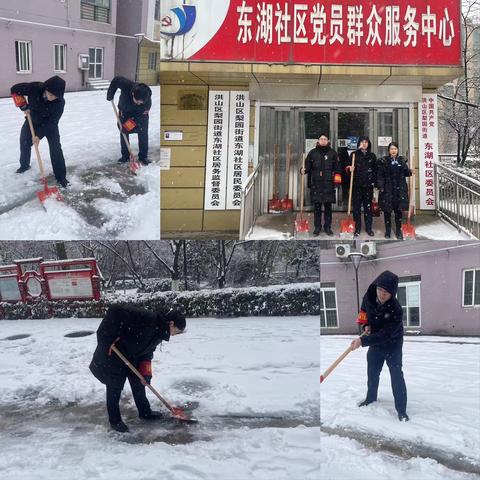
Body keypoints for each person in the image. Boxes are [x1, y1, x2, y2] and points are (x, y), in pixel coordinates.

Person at [89, 304, 186, 432]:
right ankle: (115, 421)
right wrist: (107, 340)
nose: (175, 335)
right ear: (171, 324)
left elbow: (147, 353)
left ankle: (145, 412)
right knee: (114, 388)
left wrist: (146, 374)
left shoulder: (160, 332)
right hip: (114, 354)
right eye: (177, 332)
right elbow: (115, 310)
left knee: (139, 384)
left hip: (133, 357)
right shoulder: (148, 319)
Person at [350, 270, 409, 422]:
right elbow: (363, 315)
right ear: (376, 287)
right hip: (375, 342)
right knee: (372, 371)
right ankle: (370, 398)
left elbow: (386, 334)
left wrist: (363, 341)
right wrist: (365, 327)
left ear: (392, 294)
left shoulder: (396, 309)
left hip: (392, 344)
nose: (382, 294)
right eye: (380, 290)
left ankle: (401, 410)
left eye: (387, 292)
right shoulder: (368, 297)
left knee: (396, 375)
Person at [11, 76, 69, 187]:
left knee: (55, 147)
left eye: (55, 96)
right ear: (45, 89)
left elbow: (52, 122)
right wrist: (23, 106)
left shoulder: (60, 103)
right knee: (24, 142)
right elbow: (14, 89)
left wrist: (38, 136)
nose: (52, 98)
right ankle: (24, 166)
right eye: (51, 95)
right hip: (32, 120)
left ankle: (61, 177)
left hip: (49, 125)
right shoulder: (34, 88)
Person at [106, 76, 152, 165]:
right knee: (123, 132)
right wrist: (110, 94)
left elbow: (139, 117)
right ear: (133, 94)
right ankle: (125, 156)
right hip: (125, 111)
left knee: (143, 133)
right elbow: (116, 80)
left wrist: (128, 126)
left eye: (140, 103)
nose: (139, 103)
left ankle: (143, 156)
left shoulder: (147, 103)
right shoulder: (126, 84)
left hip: (140, 116)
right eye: (137, 101)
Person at [303, 133, 342, 236]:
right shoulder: (312, 153)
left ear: (328, 141)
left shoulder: (333, 153)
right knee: (317, 208)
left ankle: (327, 227)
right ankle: (317, 227)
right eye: (321, 139)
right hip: (316, 184)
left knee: (328, 208)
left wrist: (337, 182)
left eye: (325, 139)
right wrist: (303, 170)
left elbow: (338, 168)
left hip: (328, 184)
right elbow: (307, 167)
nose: (323, 140)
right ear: (318, 141)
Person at [377, 142, 412, 239]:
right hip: (388, 188)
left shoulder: (401, 161)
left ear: (397, 150)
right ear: (389, 150)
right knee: (387, 211)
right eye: (391, 149)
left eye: (395, 149)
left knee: (398, 211)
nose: (393, 151)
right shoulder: (384, 161)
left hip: (399, 189)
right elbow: (380, 175)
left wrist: (409, 170)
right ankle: (388, 231)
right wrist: (380, 186)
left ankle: (398, 230)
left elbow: (406, 173)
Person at [345, 136, 377, 237]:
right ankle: (357, 228)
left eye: (366, 142)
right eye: (362, 142)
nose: (364, 144)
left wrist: (374, 182)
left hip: (368, 186)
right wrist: (349, 169)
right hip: (356, 185)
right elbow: (347, 167)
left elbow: (375, 171)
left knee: (368, 208)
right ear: (359, 143)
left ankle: (369, 228)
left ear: (368, 144)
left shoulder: (372, 156)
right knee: (357, 208)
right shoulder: (354, 155)